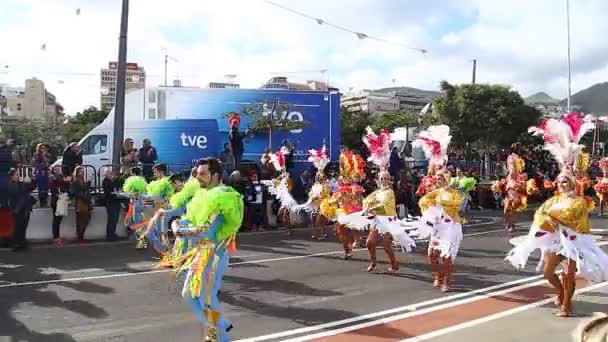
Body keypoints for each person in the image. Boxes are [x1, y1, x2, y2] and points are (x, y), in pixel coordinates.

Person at [507, 113, 608, 317]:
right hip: (556, 241)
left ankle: (566, 305)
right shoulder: (554, 200)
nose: (563, 184)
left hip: (573, 241)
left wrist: (554, 218)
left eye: (566, 182)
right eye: (561, 182)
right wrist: (548, 220)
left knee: (569, 274)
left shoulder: (580, 200)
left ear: (572, 183)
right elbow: (540, 214)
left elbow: (573, 215)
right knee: (548, 273)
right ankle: (561, 292)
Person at [170, 157, 243, 341]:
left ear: (215, 176)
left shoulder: (222, 197)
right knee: (189, 295)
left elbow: (205, 231)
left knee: (205, 298)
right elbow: (191, 220)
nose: (198, 177)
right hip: (201, 253)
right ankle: (220, 325)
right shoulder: (202, 195)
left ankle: (221, 335)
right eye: (197, 173)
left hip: (212, 254)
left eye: (203, 174)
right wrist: (178, 224)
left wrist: (178, 229)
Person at [7, 169, 36, 251]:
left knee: (23, 226)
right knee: (17, 227)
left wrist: (32, 179)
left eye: (17, 174)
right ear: (11, 176)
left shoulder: (22, 184)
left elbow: (32, 187)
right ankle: (16, 243)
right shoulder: (10, 186)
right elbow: (18, 197)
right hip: (17, 209)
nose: (18, 176)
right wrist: (17, 209)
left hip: (25, 209)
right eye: (16, 175)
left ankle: (22, 242)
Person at [49, 167, 70, 245]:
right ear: (53, 171)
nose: (57, 170)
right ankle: (56, 237)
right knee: (56, 220)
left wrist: (67, 181)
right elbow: (52, 187)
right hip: (56, 201)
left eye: (58, 169)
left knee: (58, 220)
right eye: (55, 169)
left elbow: (66, 187)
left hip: (62, 199)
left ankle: (57, 236)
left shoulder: (61, 177)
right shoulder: (52, 178)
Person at [70, 166, 91, 241]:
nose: (82, 173)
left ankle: (81, 234)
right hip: (79, 201)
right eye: (80, 171)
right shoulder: (75, 182)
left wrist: (88, 183)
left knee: (86, 218)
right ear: (77, 173)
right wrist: (83, 194)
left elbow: (86, 189)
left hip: (85, 201)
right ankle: (80, 235)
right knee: (80, 219)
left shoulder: (84, 181)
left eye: (83, 171)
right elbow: (75, 192)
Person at [102, 168, 122, 241]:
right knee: (111, 219)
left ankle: (113, 233)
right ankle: (109, 235)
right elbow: (107, 192)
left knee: (115, 219)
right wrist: (114, 193)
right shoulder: (105, 181)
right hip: (110, 202)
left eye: (111, 172)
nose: (111, 174)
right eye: (108, 173)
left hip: (116, 201)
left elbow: (118, 187)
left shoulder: (115, 181)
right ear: (105, 174)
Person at [33, 143, 50, 207]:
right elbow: (36, 164)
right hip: (40, 172)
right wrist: (43, 165)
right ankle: (42, 203)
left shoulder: (47, 155)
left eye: (44, 148)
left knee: (46, 187)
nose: (43, 149)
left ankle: (45, 201)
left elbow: (48, 163)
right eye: (41, 148)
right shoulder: (36, 155)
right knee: (41, 187)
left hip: (45, 172)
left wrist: (45, 158)